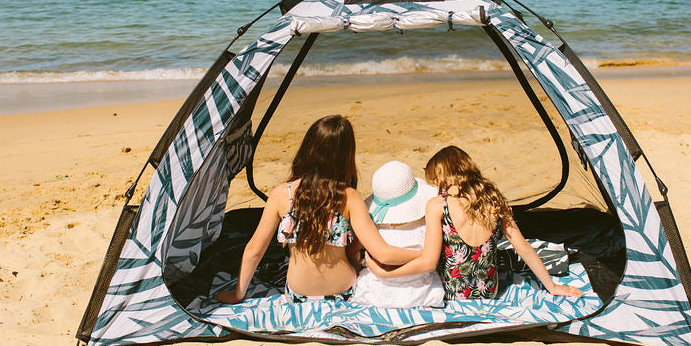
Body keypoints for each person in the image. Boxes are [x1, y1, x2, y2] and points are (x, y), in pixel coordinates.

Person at [215, 115, 418, 304]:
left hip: (297, 295)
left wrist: (237, 295)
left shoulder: (281, 194)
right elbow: (383, 253)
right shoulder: (348, 197)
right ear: (346, 155)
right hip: (343, 292)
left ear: (308, 148)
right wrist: (425, 256)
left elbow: (253, 252)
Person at [368, 146, 583, 300]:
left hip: (453, 293)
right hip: (489, 291)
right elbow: (523, 248)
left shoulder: (437, 205)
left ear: (442, 175)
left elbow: (429, 263)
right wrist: (552, 286)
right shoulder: (495, 200)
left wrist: (387, 273)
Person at [351, 161, 445, 308]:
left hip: (377, 294)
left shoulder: (372, 231)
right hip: (422, 294)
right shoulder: (425, 225)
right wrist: (426, 255)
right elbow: (432, 261)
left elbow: (351, 251)